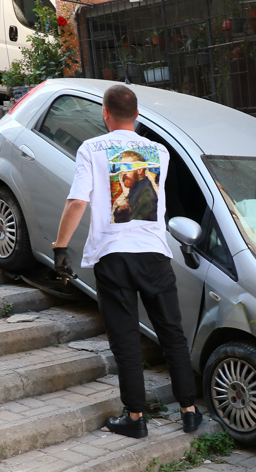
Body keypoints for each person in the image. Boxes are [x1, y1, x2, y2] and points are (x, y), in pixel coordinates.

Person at [52, 84, 202, 439]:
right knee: (172, 334)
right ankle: (190, 411)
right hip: (154, 253)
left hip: (114, 255)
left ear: (105, 113)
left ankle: (136, 417)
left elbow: (77, 202)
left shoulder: (91, 148)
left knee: (126, 339)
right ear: (137, 115)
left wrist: (60, 247)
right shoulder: (160, 151)